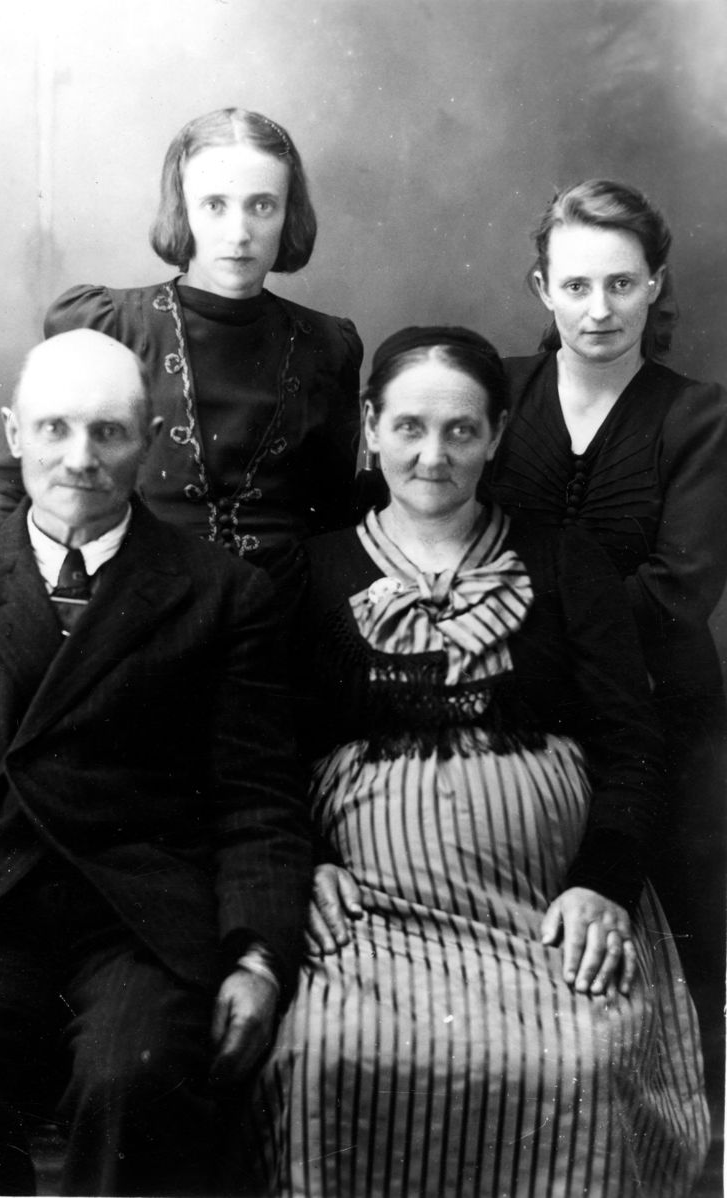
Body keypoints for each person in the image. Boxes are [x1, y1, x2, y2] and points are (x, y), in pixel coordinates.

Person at [249, 327, 710, 1197]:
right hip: (371, 914)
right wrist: (302, 866)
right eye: (409, 427)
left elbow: (633, 745)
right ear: (370, 427)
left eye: (461, 430)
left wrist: (604, 884)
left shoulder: (565, 561)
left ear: (496, 435)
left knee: (580, 1061)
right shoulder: (309, 573)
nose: (434, 455)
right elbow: (262, 753)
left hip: (549, 906)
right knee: (322, 1052)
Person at [0, 328, 312, 1197]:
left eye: (108, 432)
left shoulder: (222, 592)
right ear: (14, 433)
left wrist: (259, 958)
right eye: (55, 428)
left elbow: (258, 799)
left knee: (134, 1078)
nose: (80, 459)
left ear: (147, 440)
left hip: (140, 916)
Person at [486, 179, 727, 1111]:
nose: (599, 310)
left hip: (665, 713)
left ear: (655, 285)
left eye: (623, 284)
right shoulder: (499, 392)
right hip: (513, 708)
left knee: (694, 928)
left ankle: (696, 1132)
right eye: (577, 285)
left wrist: (516, 633)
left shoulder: (701, 416)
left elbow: (678, 591)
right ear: (541, 286)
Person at [0, 107, 363, 609]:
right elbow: (17, 474)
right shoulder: (110, 323)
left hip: (283, 617)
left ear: (289, 214)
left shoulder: (327, 344)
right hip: (134, 610)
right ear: (183, 210)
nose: (239, 232)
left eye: (262, 205)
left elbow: (334, 515)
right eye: (214, 205)